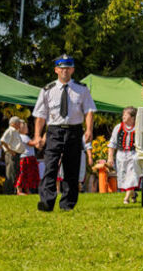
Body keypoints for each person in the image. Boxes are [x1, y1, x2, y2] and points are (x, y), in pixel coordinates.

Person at [31, 55, 96, 212]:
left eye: (68, 68)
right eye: (61, 68)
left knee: (71, 168)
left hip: (74, 130)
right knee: (50, 166)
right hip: (54, 131)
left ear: (72, 69)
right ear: (56, 70)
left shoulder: (82, 89)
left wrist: (89, 130)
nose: (64, 71)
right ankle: (46, 202)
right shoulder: (47, 90)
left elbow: (89, 111)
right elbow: (40, 115)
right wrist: (38, 135)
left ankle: (67, 204)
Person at [107, 106, 141, 205]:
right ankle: (133, 193)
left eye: (126, 115)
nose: (123, 116)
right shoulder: (118, 127)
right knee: (123, 176)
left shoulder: (138, 128)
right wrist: (110, 157)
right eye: (123, 114)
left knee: (132, 174)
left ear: (133, 117)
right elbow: (112, 143)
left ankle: (126, 198)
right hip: (121, 155)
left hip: (133, 154)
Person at [0, 116, 25, 194]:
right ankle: (8, 192)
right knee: (10, 173)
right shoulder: (10, 130)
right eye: (18, 123)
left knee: (14, 173)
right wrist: (10, 151)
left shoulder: (15, 131)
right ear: (14, 123)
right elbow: (3, 141)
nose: (20, 125)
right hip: (11, 155)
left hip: (15, 154)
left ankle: (12, 191)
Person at [16, 121, 39, 195]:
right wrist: (37, 138)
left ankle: (27, 190)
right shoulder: (23, 136)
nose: (27, 129)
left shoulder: (25, 136)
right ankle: (19, 190)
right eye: (25, 127)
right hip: (26, 158)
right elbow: (31, 143)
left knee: (27, 175)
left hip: (29, 158)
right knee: (23, 174)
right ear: (21, 129)